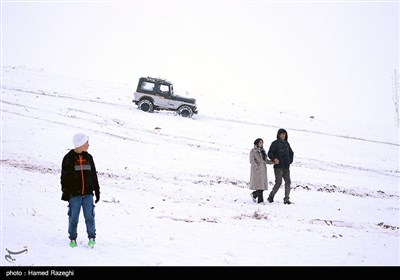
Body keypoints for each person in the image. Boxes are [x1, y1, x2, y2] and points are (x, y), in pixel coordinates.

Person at [61, 132, 100, 248]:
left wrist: (97, 191)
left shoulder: (89, 157)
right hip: (75, 195)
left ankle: (92, 237)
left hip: (88, 194)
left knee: (90, 217)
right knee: (73, 218)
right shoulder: (68, 158)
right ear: (80, 143)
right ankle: (72, 238)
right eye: (86, 142)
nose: (88, 145)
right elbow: (64, 177)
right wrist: (66, 193)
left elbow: (94, 175)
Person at [267, 128, 294, 204]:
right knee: (278, 183)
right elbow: (270, 153)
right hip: (278, 167)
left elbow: (291, 153)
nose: (283, 135)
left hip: (286, 167)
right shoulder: (274, 143)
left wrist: (289, 161)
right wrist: (274, 159)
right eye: (282, 134)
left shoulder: (286, 143)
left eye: (284, 134)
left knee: (288, 182)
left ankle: (286, 199)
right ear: (279, 135)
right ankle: (271, 196)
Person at [249, 138, 274, 204]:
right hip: (256, 171)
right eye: (260, 142)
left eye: (262, 142)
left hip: (263, 170)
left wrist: (273, 162)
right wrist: (256, 167)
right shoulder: (253, 151)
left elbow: (266, 161)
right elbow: (252, 160)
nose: (261, 144)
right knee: (259, 186)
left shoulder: (263, 151)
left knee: (262, 186)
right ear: (257, 143)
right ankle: (260, 201)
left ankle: (254, 194)